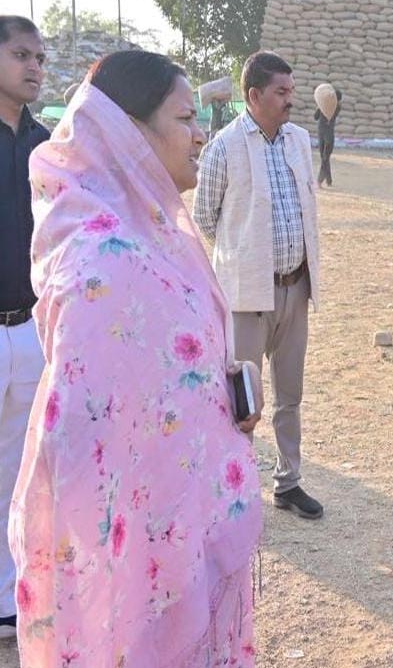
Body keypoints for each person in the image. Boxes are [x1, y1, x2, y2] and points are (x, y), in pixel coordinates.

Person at [12, 49, 263, 665]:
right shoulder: (103, 259)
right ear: (129, 133)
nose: (200, 134)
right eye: (185, 118)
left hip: (180, 519)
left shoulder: (151, 232)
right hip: (147, 548)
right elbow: (82, 432)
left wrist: (220, 390)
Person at [194, 51, 325, 520]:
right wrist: (242, 259)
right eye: (281, 92)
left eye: (292, 90)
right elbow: (204, 216)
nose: (291, 99)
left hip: (295, 288)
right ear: (254, 95)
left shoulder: (299, 140)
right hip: (247, 295)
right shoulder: (224, 146)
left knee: (290, 396)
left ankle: (288, 483)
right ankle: (238, 491)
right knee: (242, 400)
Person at [0, 15, 48, 640]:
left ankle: (9, 596)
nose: (34, 66)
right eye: (20, 55)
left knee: (18, 470)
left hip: (31, 329)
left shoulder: (46, 145)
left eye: (39, 57)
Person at [314, 88, 342, 188]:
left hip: (321, 134)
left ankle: (321, 180)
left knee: (324, 158)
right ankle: (326, 181)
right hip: (328, 135)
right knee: (325, 158)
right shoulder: (337, 107)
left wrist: (320, 106)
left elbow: (315, 117)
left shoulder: (325, 106)